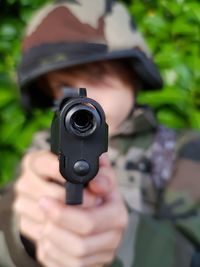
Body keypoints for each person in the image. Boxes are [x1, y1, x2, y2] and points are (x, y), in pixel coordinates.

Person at [0, 1, 200, 267]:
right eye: (63, 86)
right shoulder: (40, 154)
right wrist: (23, 234)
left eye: (97, 75)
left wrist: (121, 239)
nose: (83, 98)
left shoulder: (183, 150)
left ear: (134, 76)